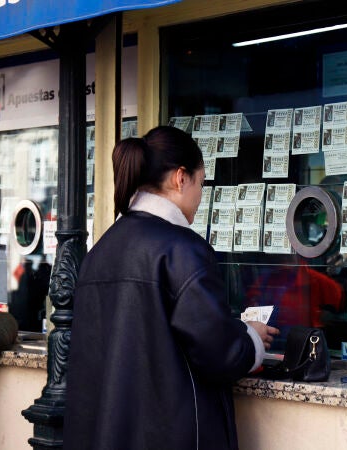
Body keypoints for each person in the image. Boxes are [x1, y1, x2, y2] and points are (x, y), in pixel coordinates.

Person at [64, 126, 279, 450]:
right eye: (201, 183)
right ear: (181, 178)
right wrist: (251, 339)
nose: (200, 195)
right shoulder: (182, 250)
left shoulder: (100, 252)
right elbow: (220, 353)